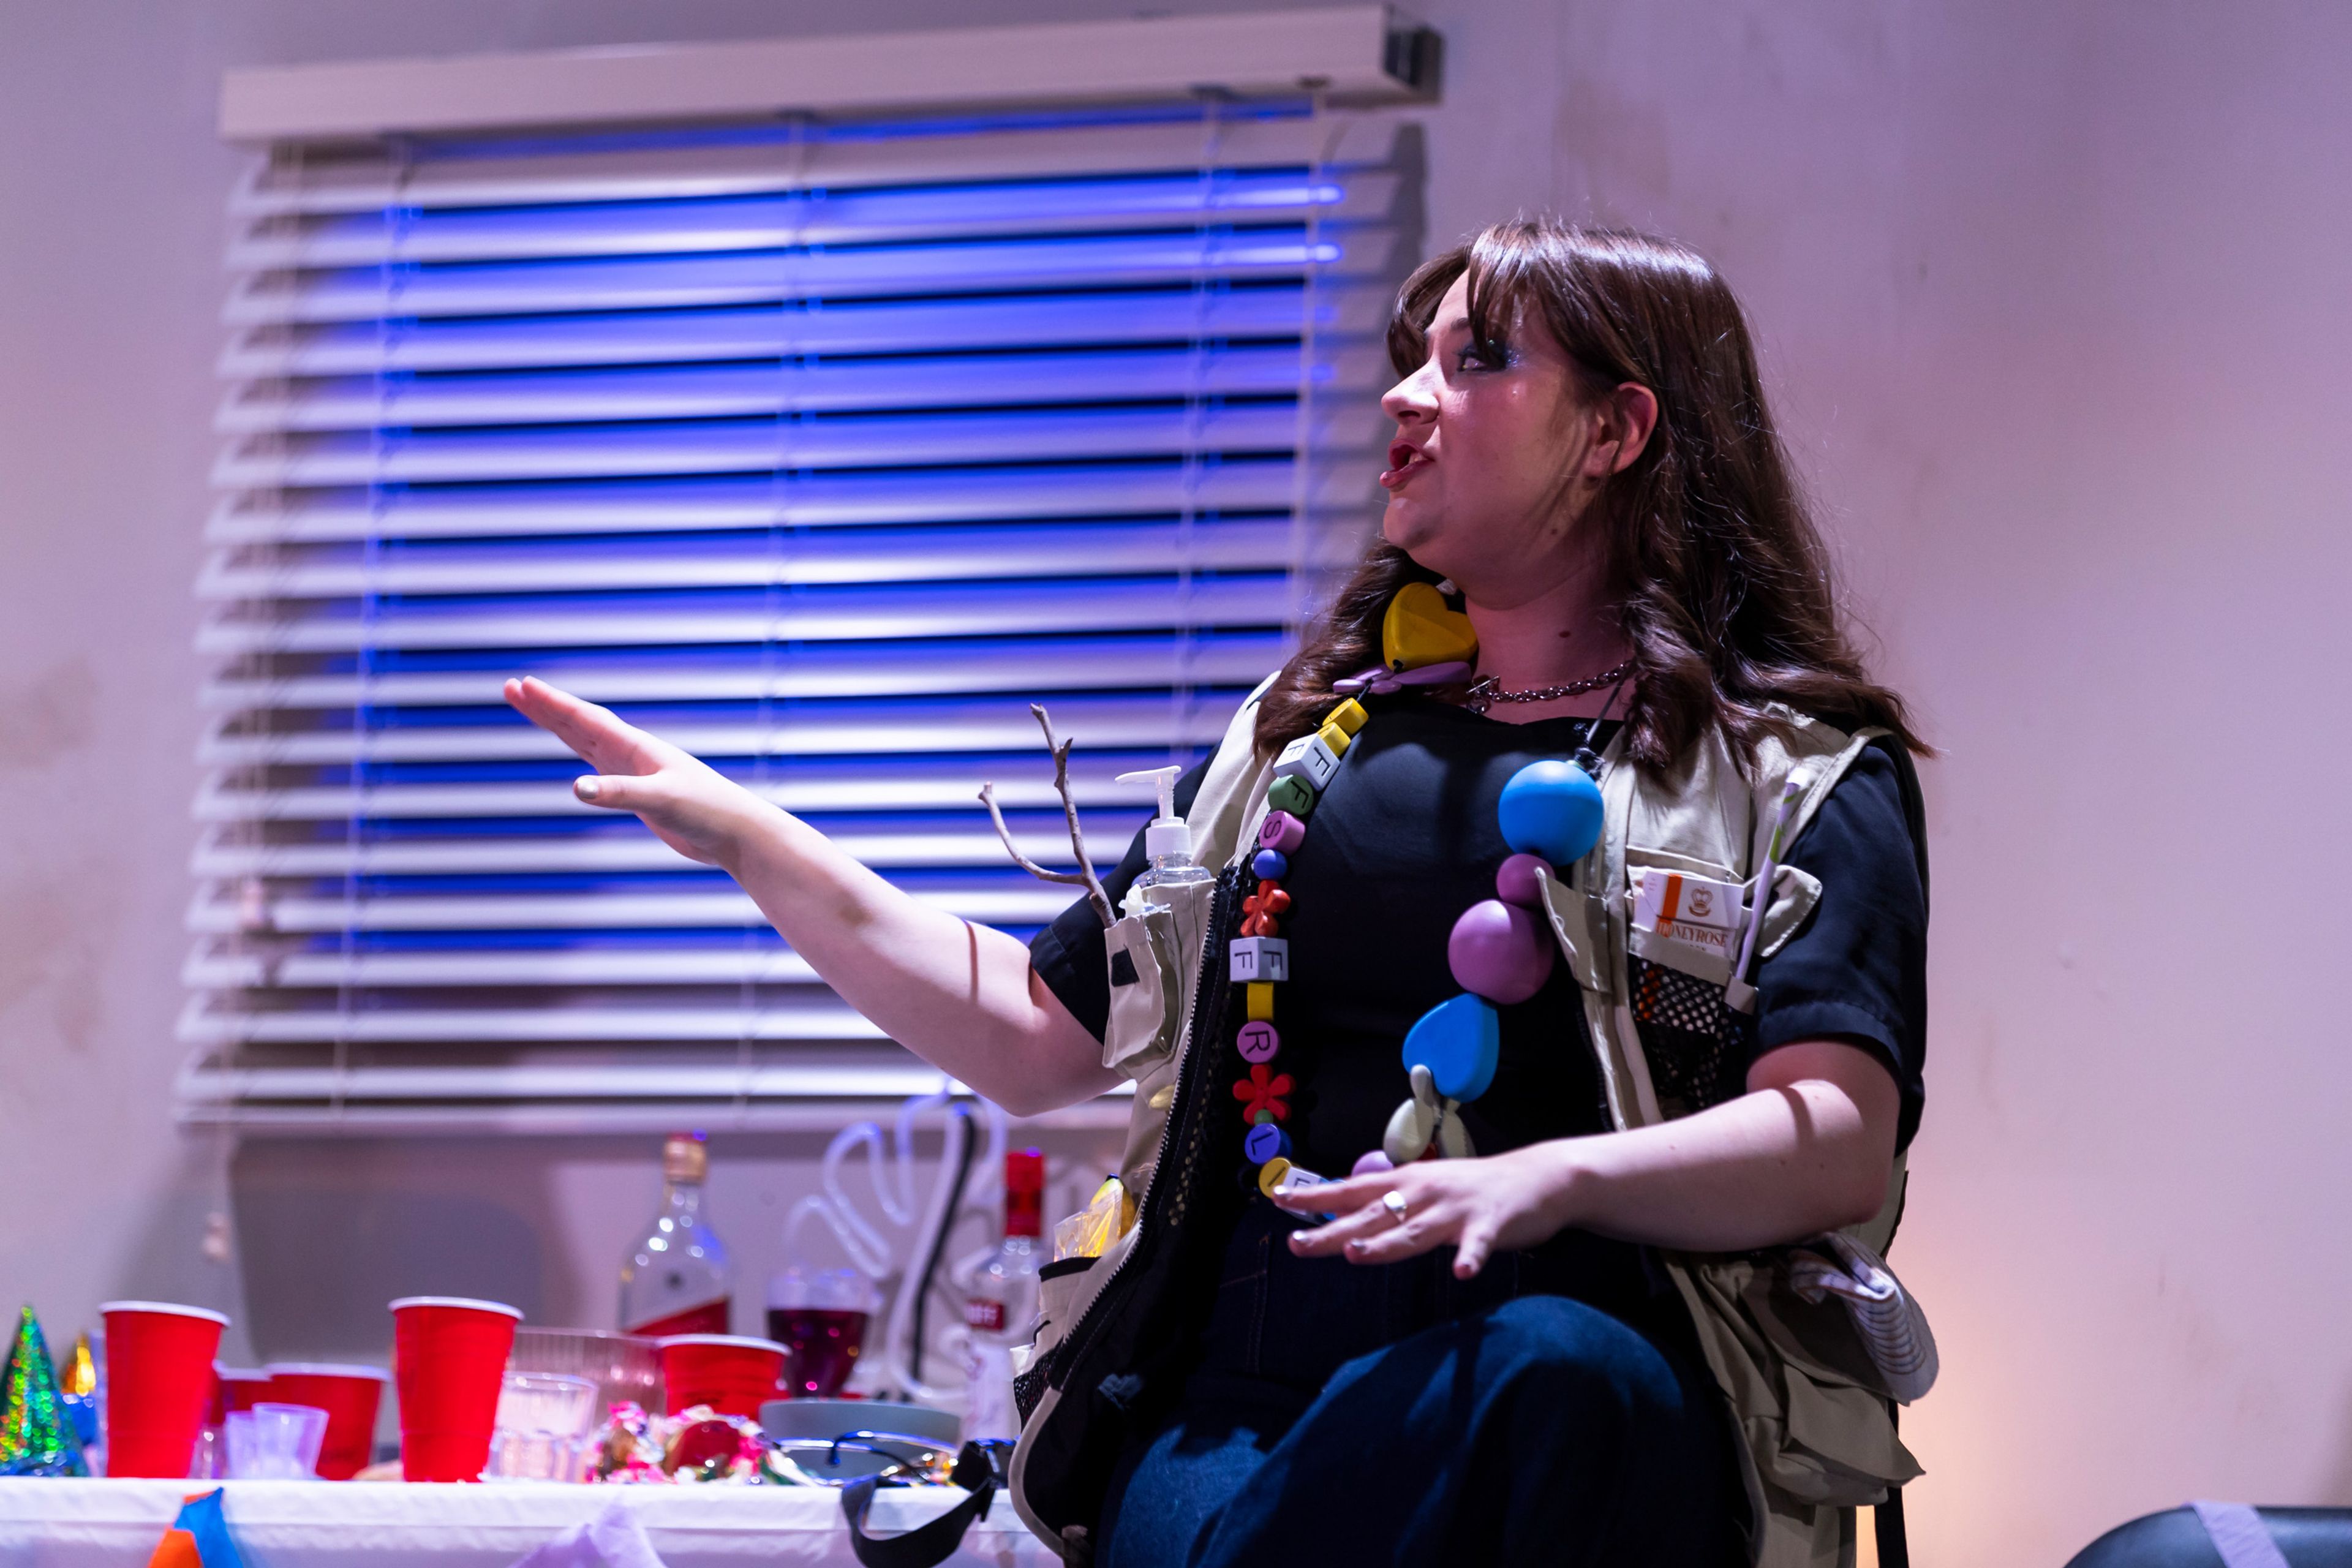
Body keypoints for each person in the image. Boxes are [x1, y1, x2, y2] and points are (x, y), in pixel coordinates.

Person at [508, 218, 1930, 1568]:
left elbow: (1834, 1137)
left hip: (1581, 1387)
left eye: (1476, 359)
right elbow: (1031, 1032)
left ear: (1618, 431)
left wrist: (1548, 1178)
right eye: (1413, 356)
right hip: (1246, 1385)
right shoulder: (1295, 744)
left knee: (1558, 1373)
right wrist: (757, 838)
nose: (1408, 394)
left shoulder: (1788, 769)